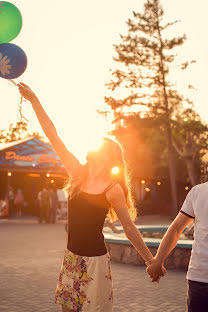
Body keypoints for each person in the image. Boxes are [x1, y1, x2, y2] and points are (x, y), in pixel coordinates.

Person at [18, 82, 155, 312]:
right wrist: (34, 100)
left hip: (96, 264)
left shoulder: (112, 189)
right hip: (72, 258)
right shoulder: (77, 173)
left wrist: (150, 261)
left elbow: (129, 228)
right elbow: (53, 135)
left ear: (107, 157)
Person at [147, 182, 208, 312]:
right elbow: (175, 229)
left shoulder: (198, 191)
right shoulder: (197, 192)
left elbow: (176, 229)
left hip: (199, 279)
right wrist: (158, 261)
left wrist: (158, 261)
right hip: (200, 280)